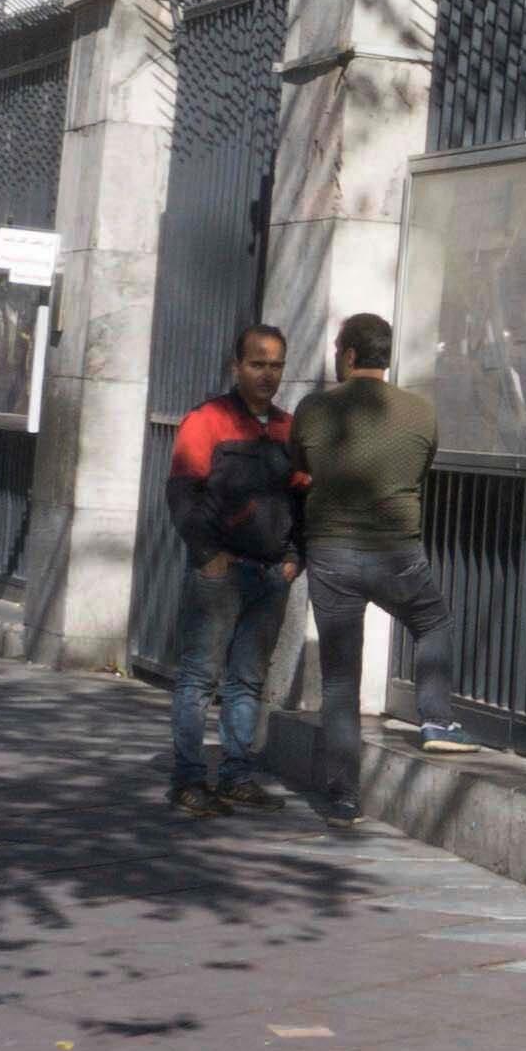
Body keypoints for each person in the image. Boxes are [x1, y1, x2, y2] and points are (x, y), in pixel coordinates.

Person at [286, 312, 460, 833]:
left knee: (340, 682)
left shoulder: (314, 409)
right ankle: (434, 719)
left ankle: (342, 798)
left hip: (332, 554)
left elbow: (300, 465)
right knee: (432, 623)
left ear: (349, 356)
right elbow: (420, 468)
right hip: (396, 553)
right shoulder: (421, 412)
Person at [162, 324, 301, 819]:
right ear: (236, 366)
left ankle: (238, 776)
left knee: (249, 680)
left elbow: (303, 496)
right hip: (219, 574)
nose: (268, 374)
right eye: (258, 363)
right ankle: (188, 780)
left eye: (277, 365)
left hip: (270, 574)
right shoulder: (208, 420)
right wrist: (206, 554)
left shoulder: (288, 429)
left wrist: (294, 558)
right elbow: (182, 490)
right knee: (199, 678)